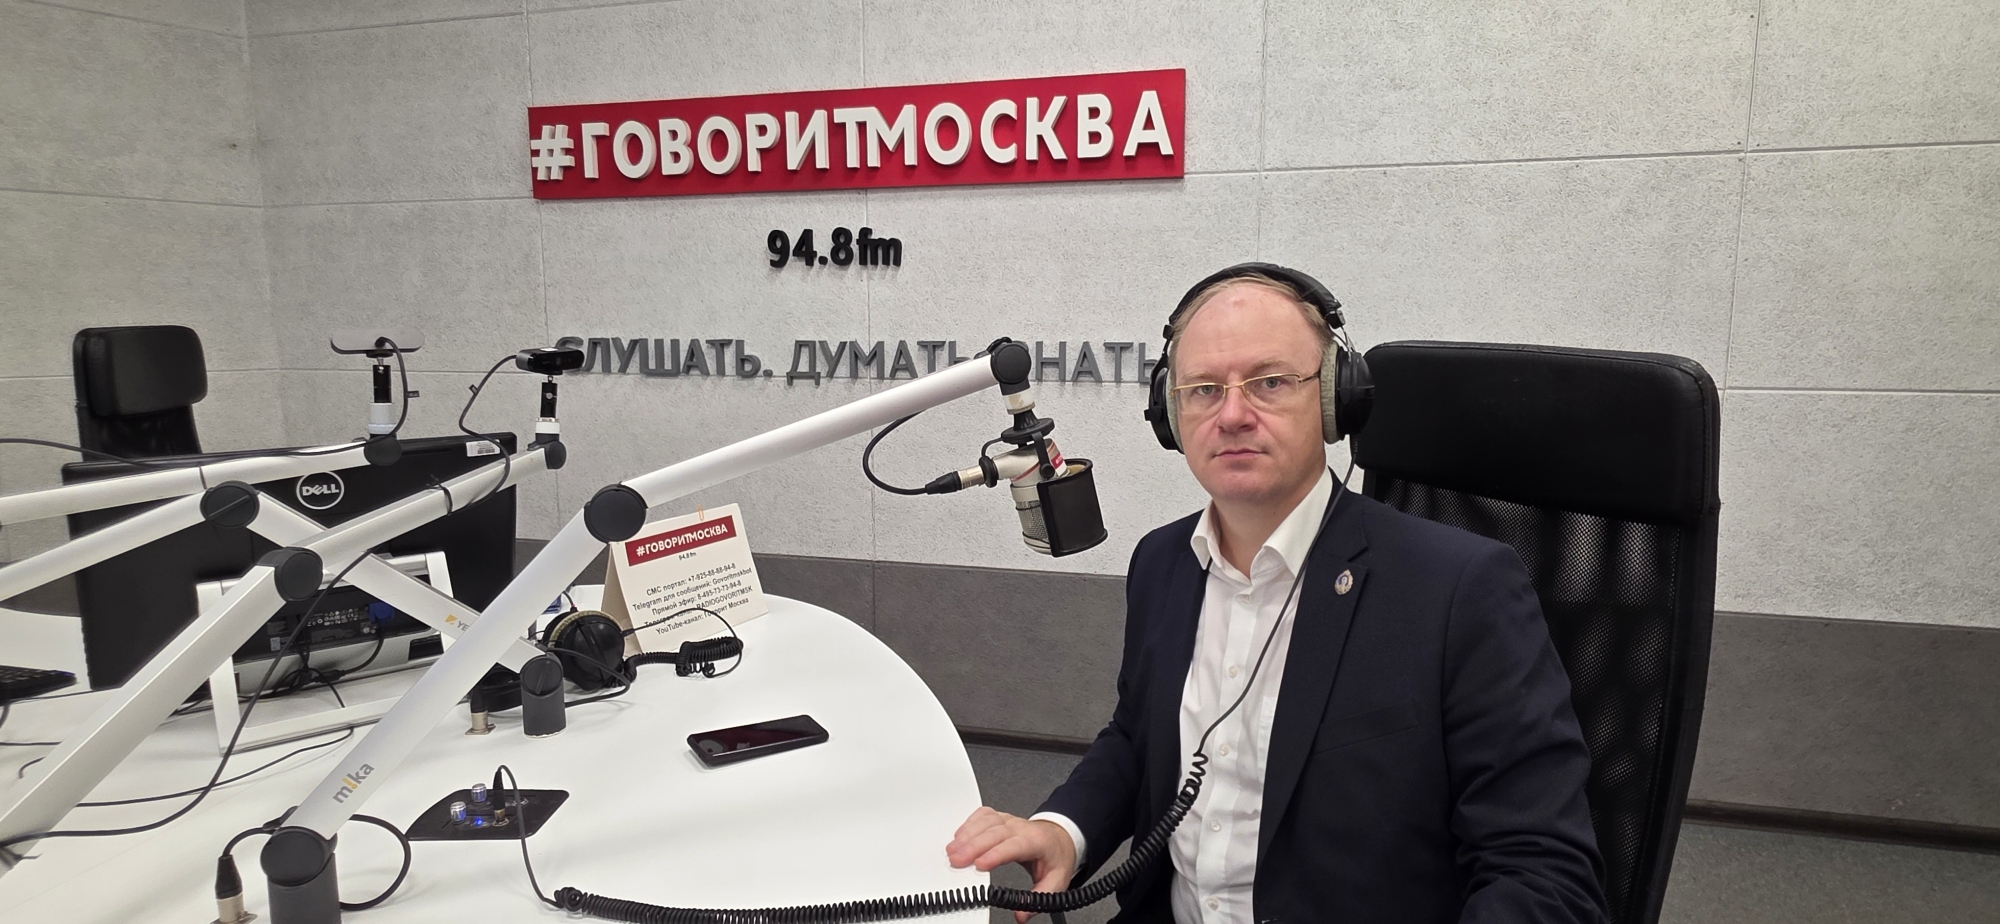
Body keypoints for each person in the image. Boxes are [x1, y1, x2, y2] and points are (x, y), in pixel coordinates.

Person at [946, 264, 1607, 923]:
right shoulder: (1162, 562)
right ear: (1170, 414)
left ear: (1334, 400)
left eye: (1270, 382)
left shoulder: (1461, 589)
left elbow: (1543, 876)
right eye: (1203, 389)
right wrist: (1065, 830)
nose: (1232, 415)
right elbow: (1137, 736)